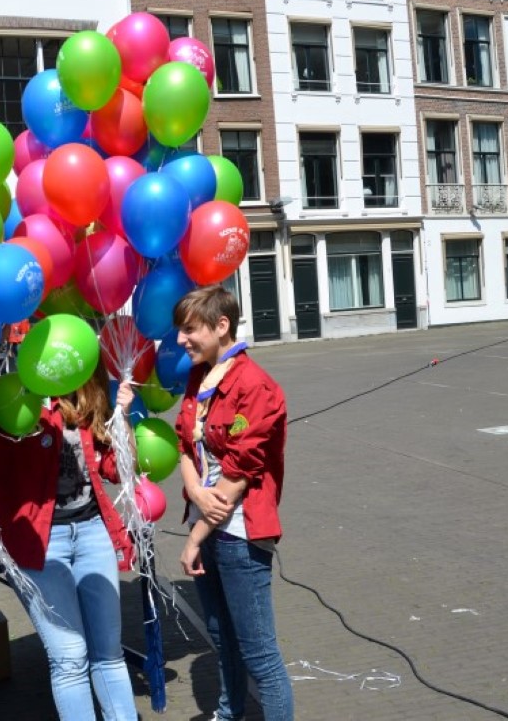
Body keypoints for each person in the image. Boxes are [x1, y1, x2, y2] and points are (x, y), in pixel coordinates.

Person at [0, 361, 139, 721]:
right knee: (70, 657)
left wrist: (123, 416)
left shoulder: (91, 395)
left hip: (93, 533)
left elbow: (117, 470)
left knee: (108, 653)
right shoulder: (17, 391)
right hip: (38, 542)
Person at [172, 285, 294, 720]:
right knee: (222, 638)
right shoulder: (199, 376)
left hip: (239, 534)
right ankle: (229, 713)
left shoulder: (255, 386)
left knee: (259, 654)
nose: (181, 340)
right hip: (206, 523)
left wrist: (193, 539)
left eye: (190, 330)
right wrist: (195, 492)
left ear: (221, 326)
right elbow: (183, 444)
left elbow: (237, 478)